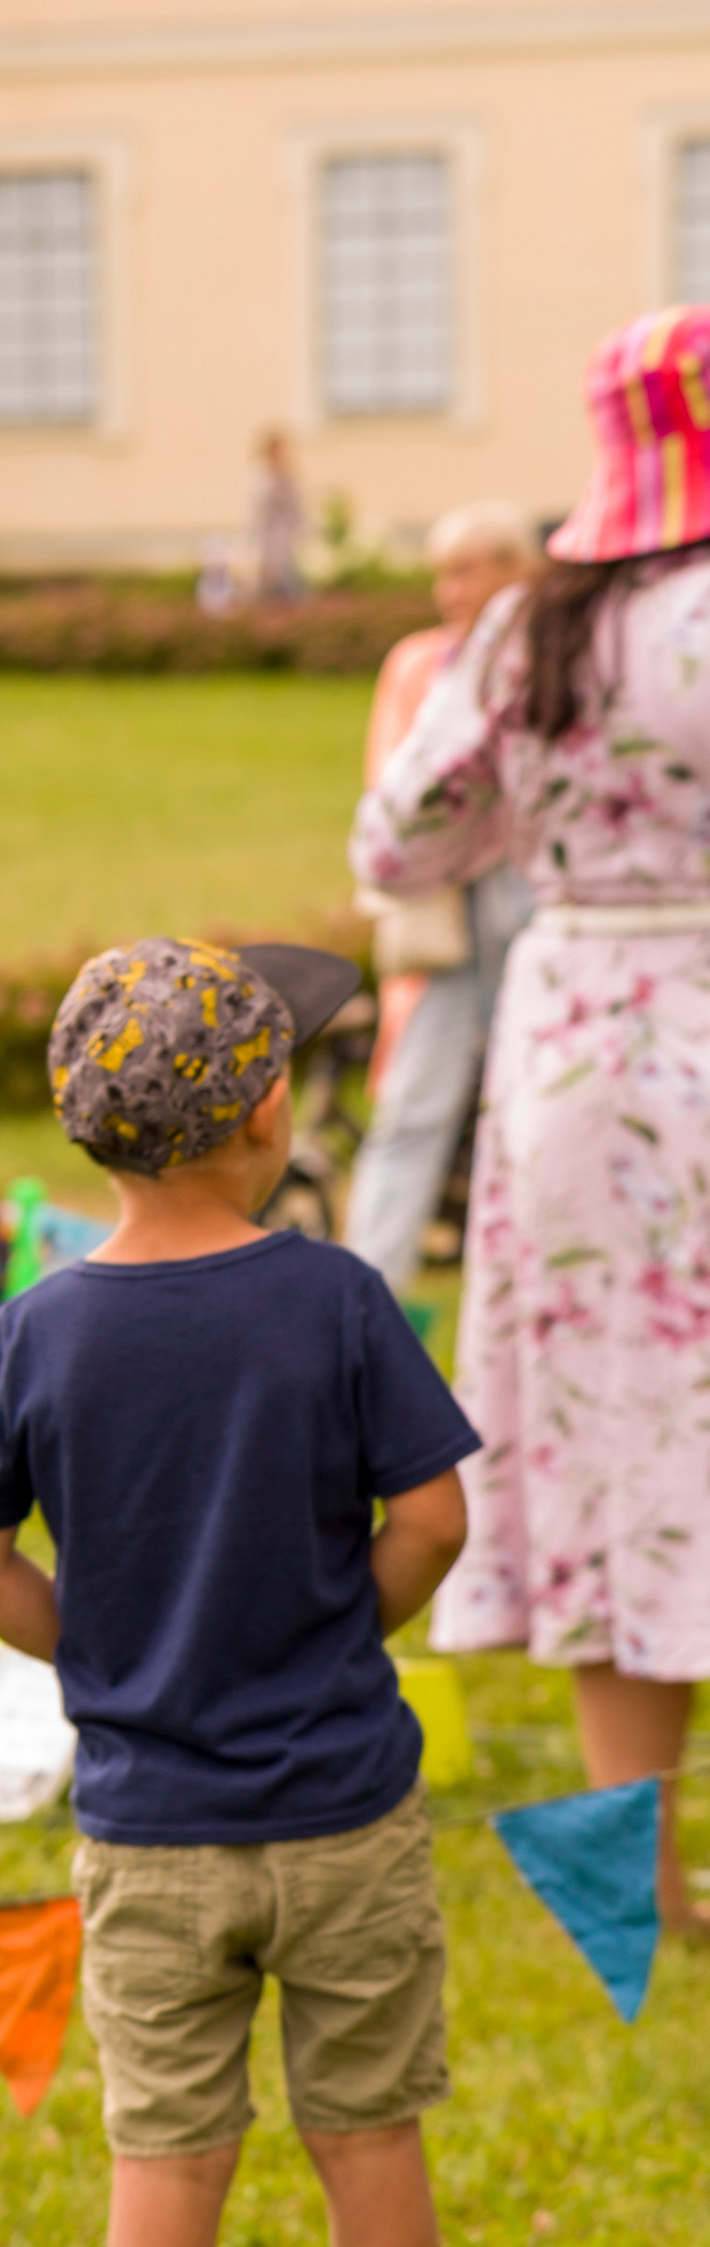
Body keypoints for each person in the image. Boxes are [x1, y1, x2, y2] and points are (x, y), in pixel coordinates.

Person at [0, 938, 478, 2247]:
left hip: (155, 1830)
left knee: (165, 2165)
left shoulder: (39, 1327)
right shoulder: (334, 1293)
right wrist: (328, 1632)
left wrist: (103, 1654)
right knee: (369, 2139)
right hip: (347, 1813)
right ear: (262, 1112)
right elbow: (435, 1517)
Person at [355, 306, 710, 1943]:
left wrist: (535, 819)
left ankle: (631, 1873)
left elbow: (400, 840)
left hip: (576, 1050)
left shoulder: (524, 632)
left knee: (614, 1429)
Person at [341, 504, 540, 1299]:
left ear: (512, 570)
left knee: (537, 1107)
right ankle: (365, 1301)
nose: (448, 591)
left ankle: (533, 1289)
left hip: (530, 908)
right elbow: (391, 788)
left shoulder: (549, 651)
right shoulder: (419, 664)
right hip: (448, 915)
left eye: (465, 571)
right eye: (440, 575)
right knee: (414, 1106)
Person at [248, 427, 306, 603]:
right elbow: (258, 513)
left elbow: (297, 510)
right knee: (271, 584)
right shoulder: (261, 477)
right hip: (269, 540)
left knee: (289, 585)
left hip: (286, 540)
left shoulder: (288, 475)